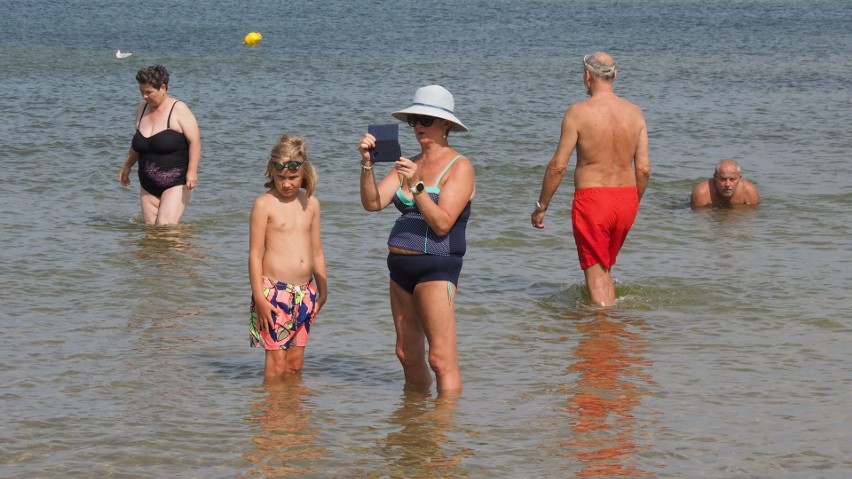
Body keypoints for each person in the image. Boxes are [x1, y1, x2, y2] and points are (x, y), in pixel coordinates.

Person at [358, 85, 475, 394]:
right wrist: (367, 165)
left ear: (446, 124)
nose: (419, 125)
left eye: (426, 119)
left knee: (440, 358)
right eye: (414, 120)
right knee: (406, 355)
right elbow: (372, 203)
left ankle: (443, 430)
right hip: (399, 270)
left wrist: (417, 186)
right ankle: (415, 427)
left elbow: (442, 224)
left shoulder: (460, 167)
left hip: (436, 268)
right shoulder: (408, 163)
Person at [531, 52, 651, 307]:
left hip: (594, 200)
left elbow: (558, 166)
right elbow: (643, 170)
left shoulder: (577, 113)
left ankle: (602, 335)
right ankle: (612, 334)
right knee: (604, 271)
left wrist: (541, 207)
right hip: (627, 199)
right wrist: (633, 201)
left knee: (595, 278)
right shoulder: (635, 113)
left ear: (587, 75)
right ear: (615, 75)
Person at [249, 134, 328, 383]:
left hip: (306, 293)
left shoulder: (311, 204)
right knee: (276, 365)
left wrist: (323, 290)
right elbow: (254, 253)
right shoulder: (264, 205)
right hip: (274, 293)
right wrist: (259, 297)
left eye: (293, 178)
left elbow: (317, 251)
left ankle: (293, 417)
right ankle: (272, 417)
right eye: (281, 177)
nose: (286, 184)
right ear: (271, 171)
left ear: (304, 173)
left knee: (295, 364)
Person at [118, 65, 201, 225]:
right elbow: (138, 143)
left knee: (164, 228)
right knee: (151, 235)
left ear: (163, 87)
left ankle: (188, 248)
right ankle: (183, 243)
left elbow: (195, 141)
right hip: (147, 185)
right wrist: (127, 166)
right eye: (142, 92)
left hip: (176, 182)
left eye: (149, 92)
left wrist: (192, 172)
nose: (144, 96)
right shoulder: (141, 110)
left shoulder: (178, 109)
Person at [690, 159, 760, 208]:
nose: (727, 184)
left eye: (732, 179)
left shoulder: (749, 192)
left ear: (739, 178)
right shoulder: (701, 193)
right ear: (715, 178)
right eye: (723, 179)